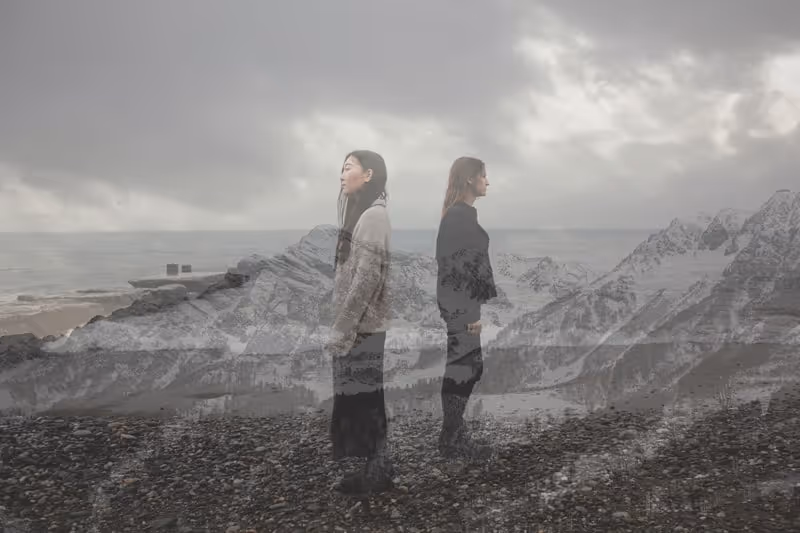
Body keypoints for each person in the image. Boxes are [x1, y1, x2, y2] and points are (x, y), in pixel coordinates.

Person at [327, 150, 394, 494]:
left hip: (362, 329)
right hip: (361, 326)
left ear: (368, 174)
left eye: (347, 167)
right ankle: (376, 468)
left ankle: (378, 473)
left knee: (365, 401)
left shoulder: (373, 217)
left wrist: (343, 328)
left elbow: (366, 280)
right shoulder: (364, 216)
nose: (341, 174)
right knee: (362, 400)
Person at [435, 156, 497, 460]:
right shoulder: (459, 217)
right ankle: (452, 438)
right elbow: (456, 269)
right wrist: (466, 314)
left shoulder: (459, 215)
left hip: (462, 308)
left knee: (468, 368)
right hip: (462, 309)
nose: (488, 181)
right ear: (471, 178)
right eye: (484, 176)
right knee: (464, 369)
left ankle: (453, 434)